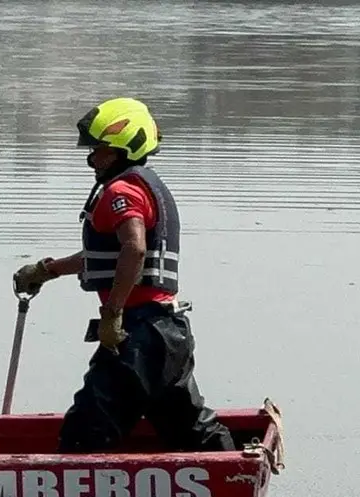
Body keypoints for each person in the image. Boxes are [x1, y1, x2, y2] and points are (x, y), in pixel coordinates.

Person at [12, 97, 235, 454]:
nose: (91, 159)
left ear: (121, 150)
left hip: (138, 335)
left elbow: (133, 249)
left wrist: (112, 313)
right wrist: (47, 270)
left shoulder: (121, 191)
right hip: (168, 333)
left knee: (86, 432)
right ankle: (235, 473)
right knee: (187, 427)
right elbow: (109, 257)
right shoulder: (146, 185)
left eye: (99, 150)